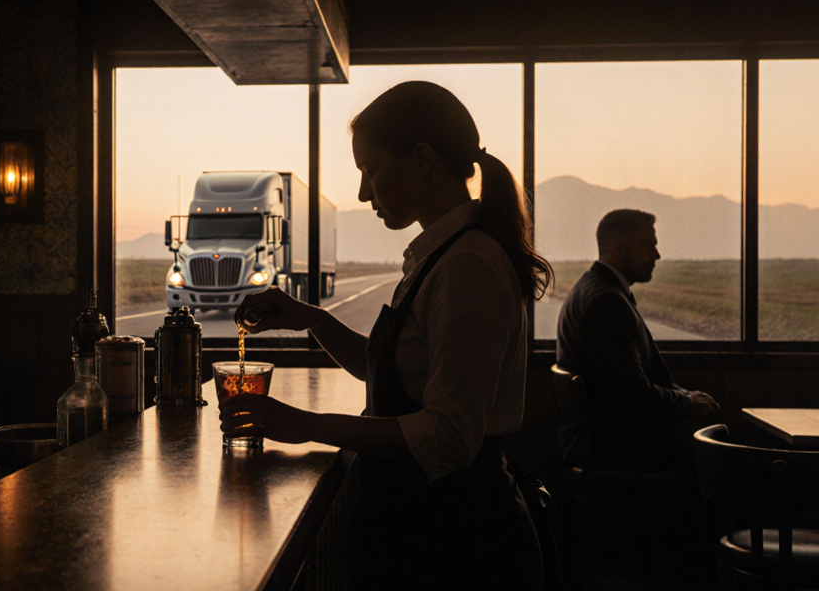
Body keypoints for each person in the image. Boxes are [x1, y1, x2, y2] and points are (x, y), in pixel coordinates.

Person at [224, 81, 545, 589]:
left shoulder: (468, 264)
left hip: (459, 547)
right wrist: (312, 318)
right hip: (425, 531)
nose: (362, 192)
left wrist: (307, 423)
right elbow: (393, 368)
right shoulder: (441, 254)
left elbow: (448, 436)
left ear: (422, 158)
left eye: (369, 170)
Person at [555, 209, 720, 472]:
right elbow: (636, 395)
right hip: (613, 446)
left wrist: (684, 397)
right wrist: (687, 403)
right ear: (617, 249)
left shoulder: (593, 288)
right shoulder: (606, 303)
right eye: (648, 245)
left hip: (603, 437)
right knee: (715, 447)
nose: (657, 254)